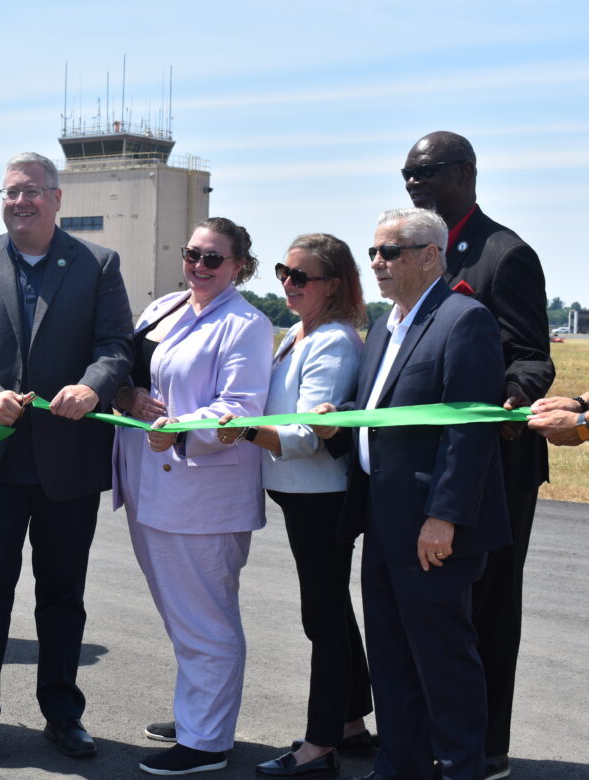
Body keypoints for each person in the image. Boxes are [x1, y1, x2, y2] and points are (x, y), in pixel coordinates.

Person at [0, 152, 133, 771]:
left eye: (31, 192)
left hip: (67, 464)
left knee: (63, 597)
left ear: (56, 197)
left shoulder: (98, 264)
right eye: (10, 192)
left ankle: (63, 713)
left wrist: (93, 387)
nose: (20, 202)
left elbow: (116, 345)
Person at [323, 208, 509, 780]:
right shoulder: (385, 325)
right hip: (383, 517)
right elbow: (382, 410)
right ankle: (397, 767)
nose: (377, 263)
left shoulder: (464, 320)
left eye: (391, 252)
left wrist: (444, 517)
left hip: (432, 525)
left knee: (444, 661)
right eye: (374, 252)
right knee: (391, 657)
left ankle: (459, 770)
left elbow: (468, 430)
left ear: (430, 255)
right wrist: (339, 417)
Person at [403, 131, 552, 780]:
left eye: (427, 171)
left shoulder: (503, 254)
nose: (414, 183)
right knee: (435, 607)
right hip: (427, 463)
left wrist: (509, 404)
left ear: (466, 172)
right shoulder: (419, 255)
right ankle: (435, 734)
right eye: (407, 174)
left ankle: (486, 747)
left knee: (487, 604)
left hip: (497, 462)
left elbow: (532, 358)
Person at [111, 217, 273, 775]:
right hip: (151, 486)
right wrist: (128, 396)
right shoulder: (164, 307)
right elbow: (133, 376)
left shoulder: (247, 324)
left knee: (207, 620)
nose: (198, 266)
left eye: (213, 259)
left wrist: (180, 429)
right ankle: (200, 716)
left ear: (239, 267)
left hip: (202, 494)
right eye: (192, 254)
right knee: (182, 615)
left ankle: (206, 744)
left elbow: (240, 408)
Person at [217, 234, 374, 777]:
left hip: (320, 497)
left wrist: (243, 431)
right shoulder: (299, 333)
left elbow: (307, 434)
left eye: (301, 276)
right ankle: (349, 724)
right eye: (285, 272)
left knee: (323, 619)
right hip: (301, 494)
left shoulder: (332, 341)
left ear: (333, 285)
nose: (288, 283)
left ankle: (320, 745)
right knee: (332, 611)